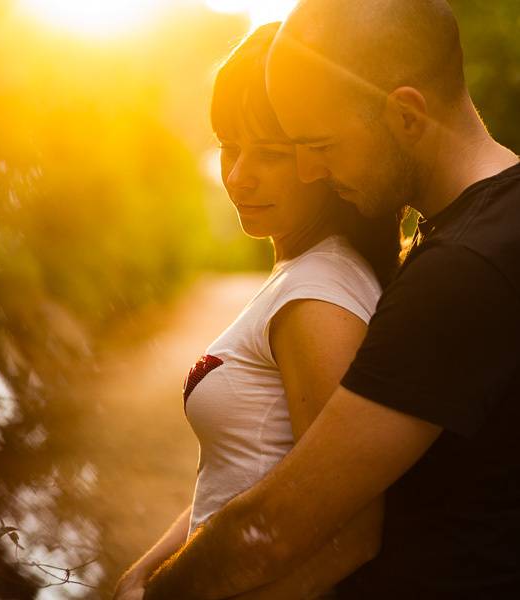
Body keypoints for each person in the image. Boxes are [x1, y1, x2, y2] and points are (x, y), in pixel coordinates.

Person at [142, 1, 520, 598]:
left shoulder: (462, 269)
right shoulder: (480, 231)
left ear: (405, 115)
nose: (311, 169)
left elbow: (276, 526)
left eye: (319, 143)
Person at [113, 22, 404, 600]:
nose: (239, 175)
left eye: (270, 153)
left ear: (324, 158)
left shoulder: (319, 296)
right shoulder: (300, 275)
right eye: (228, 145)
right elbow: (236, 475)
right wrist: (146, 570)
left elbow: (352, 533)